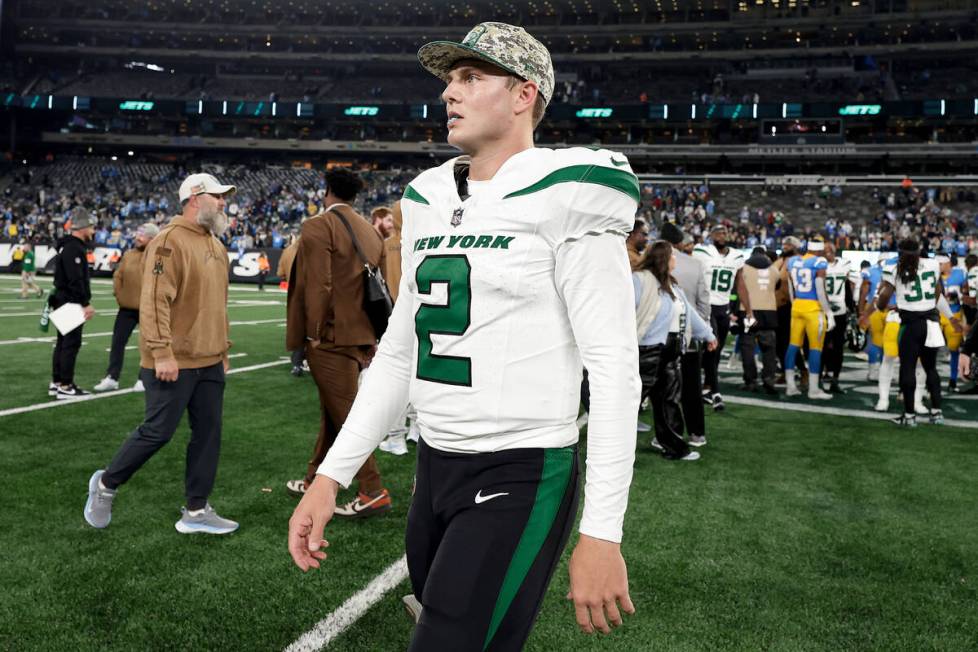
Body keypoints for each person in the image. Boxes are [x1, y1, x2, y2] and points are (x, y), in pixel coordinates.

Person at [288, 22, 641, 649]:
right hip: (435, 463)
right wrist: (330, 476)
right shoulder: (425, 196)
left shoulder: (569, 191)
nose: (450, 93)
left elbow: (615, 371)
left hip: (522, 467)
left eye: (471, 77)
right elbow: (400, 352)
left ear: (523, 94)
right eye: (450, 79)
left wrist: (603, 531)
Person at [84, 173, 239, 535]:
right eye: (217, 196)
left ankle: (196, 511)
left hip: (210, 359)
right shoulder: (168, 241)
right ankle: (106, 484)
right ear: (194, 198)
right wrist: (161, 353)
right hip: (174, 361)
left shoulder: (216, 244)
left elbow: (220, 305)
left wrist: (222, 347)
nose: (222, 203)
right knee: (157, 432)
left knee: (208, 434)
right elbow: (154, 301)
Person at [284, 168, 391, 517]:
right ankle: (315, 476)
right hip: (360, 334)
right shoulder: (370, 232)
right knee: (335, 409)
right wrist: (373, 337)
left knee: (346, 415)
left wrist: (312, 332)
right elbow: (382, 290)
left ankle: (373, 489)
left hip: (330, 336)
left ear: (327, 190)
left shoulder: (319, 225)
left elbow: (320, 284)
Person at [634, 241, 716, 460]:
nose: (675, 260)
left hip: (670, 353)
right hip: (647, 352)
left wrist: (707, 334)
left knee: (668, 401)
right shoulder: (640, 279)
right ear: (663, 258)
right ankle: (611, 450)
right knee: (630, 403)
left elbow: (689, 312)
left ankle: (674, 448)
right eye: (672, 256)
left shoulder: (672, 285)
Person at [875, 240, 959, 426]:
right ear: (919, 250)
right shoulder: (932, 264)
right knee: (931, 368)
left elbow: (884, 299)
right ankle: (937, 413)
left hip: (911, 324)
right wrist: (945, 315)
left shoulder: (895, 268)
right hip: (931, 322)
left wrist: (881, 305)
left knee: (908, 368)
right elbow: (938, 293)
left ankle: (909, 415)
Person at [93, 223, 161, 392]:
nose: (138, 238)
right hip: (127, 308)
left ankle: (143, 378)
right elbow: (118, 275)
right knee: (117, 342)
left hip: (149, 308)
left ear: (152, 239)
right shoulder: (129, 254)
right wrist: (119, 294)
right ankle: (112, 377)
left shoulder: (161, 254)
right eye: (138, 234)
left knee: (148, 345)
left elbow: (162, 279)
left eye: (142, 235)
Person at [660, 222, 710, 446]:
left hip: (661, 337)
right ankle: (697, 433)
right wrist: (700, 331)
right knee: (692, 386)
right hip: (688, 334)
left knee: (664, 390)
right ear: (680, 242)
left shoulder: (654, 262)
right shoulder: (695, 264)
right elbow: (703, 303)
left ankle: (669, 434)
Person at [693, 224, 751, 411]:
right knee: (712, 348)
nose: (721, 235)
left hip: (723, 309)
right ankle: (716, 393)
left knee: (715, 353)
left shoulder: (736, 256)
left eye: (724, 232)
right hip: (706, 307)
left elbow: (740, 284)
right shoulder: (702, 251)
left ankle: (706, 388)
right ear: (710, 236)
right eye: (717, 232)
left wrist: (749, 310)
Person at [49, 208, 97, 399]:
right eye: (91, 226)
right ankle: (66, 385)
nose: (93, 230)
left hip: (62, 299)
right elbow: (75, 279)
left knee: (63, 342)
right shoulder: (74, 248)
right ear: (83, 227)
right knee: (70, 343)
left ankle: (58, 382)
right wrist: (85, 303)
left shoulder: (68, 246)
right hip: (70, 301)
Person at [783, 236, 833, 400]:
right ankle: (813, 389)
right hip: (813, 310)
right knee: (815, 348)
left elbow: (790, 288)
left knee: (793, 346)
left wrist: (794, 304)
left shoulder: (793, 261)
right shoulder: (819, 262)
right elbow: (819, 289)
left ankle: (790, 386)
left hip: (797, 307)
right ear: (819, 249)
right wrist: (829, 312)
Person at [738, 246, 779, 394]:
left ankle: (751, 381)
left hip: (748, 311)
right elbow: (777, 285)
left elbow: (738, 289)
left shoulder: (744, 268)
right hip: (768, 312)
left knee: (747, 347)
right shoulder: (773, 269)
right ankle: (769, 379)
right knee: (769, 349)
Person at [821, 242, 852, 394]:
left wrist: (850, 306)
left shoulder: (844, 264)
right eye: (825, 251)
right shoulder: (819, 265)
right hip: (823, 310)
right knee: (821, 345)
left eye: (829, 250)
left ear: (834, 251)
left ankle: (835, 379)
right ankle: (819, 379)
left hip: (839, 311)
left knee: (838, 347)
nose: (827, 253)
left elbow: (848, 285)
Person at [277, 235, 306, 376]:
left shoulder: (287, 250)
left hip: (294, 295)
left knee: (298, 331)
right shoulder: (315, 248)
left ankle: (297, 364)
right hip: (314, 294)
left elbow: (280, 274)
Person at [937, 254, 967, 392]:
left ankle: (953, 380)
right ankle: (925, 380)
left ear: (948, 263)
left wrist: (959, 296)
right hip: (936, 315)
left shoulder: (960, 274)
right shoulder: (933, 274)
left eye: (941, 263)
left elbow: (967, 292)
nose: (939, 266)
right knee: (927, 347)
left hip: (953, 314)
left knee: (954, 349)